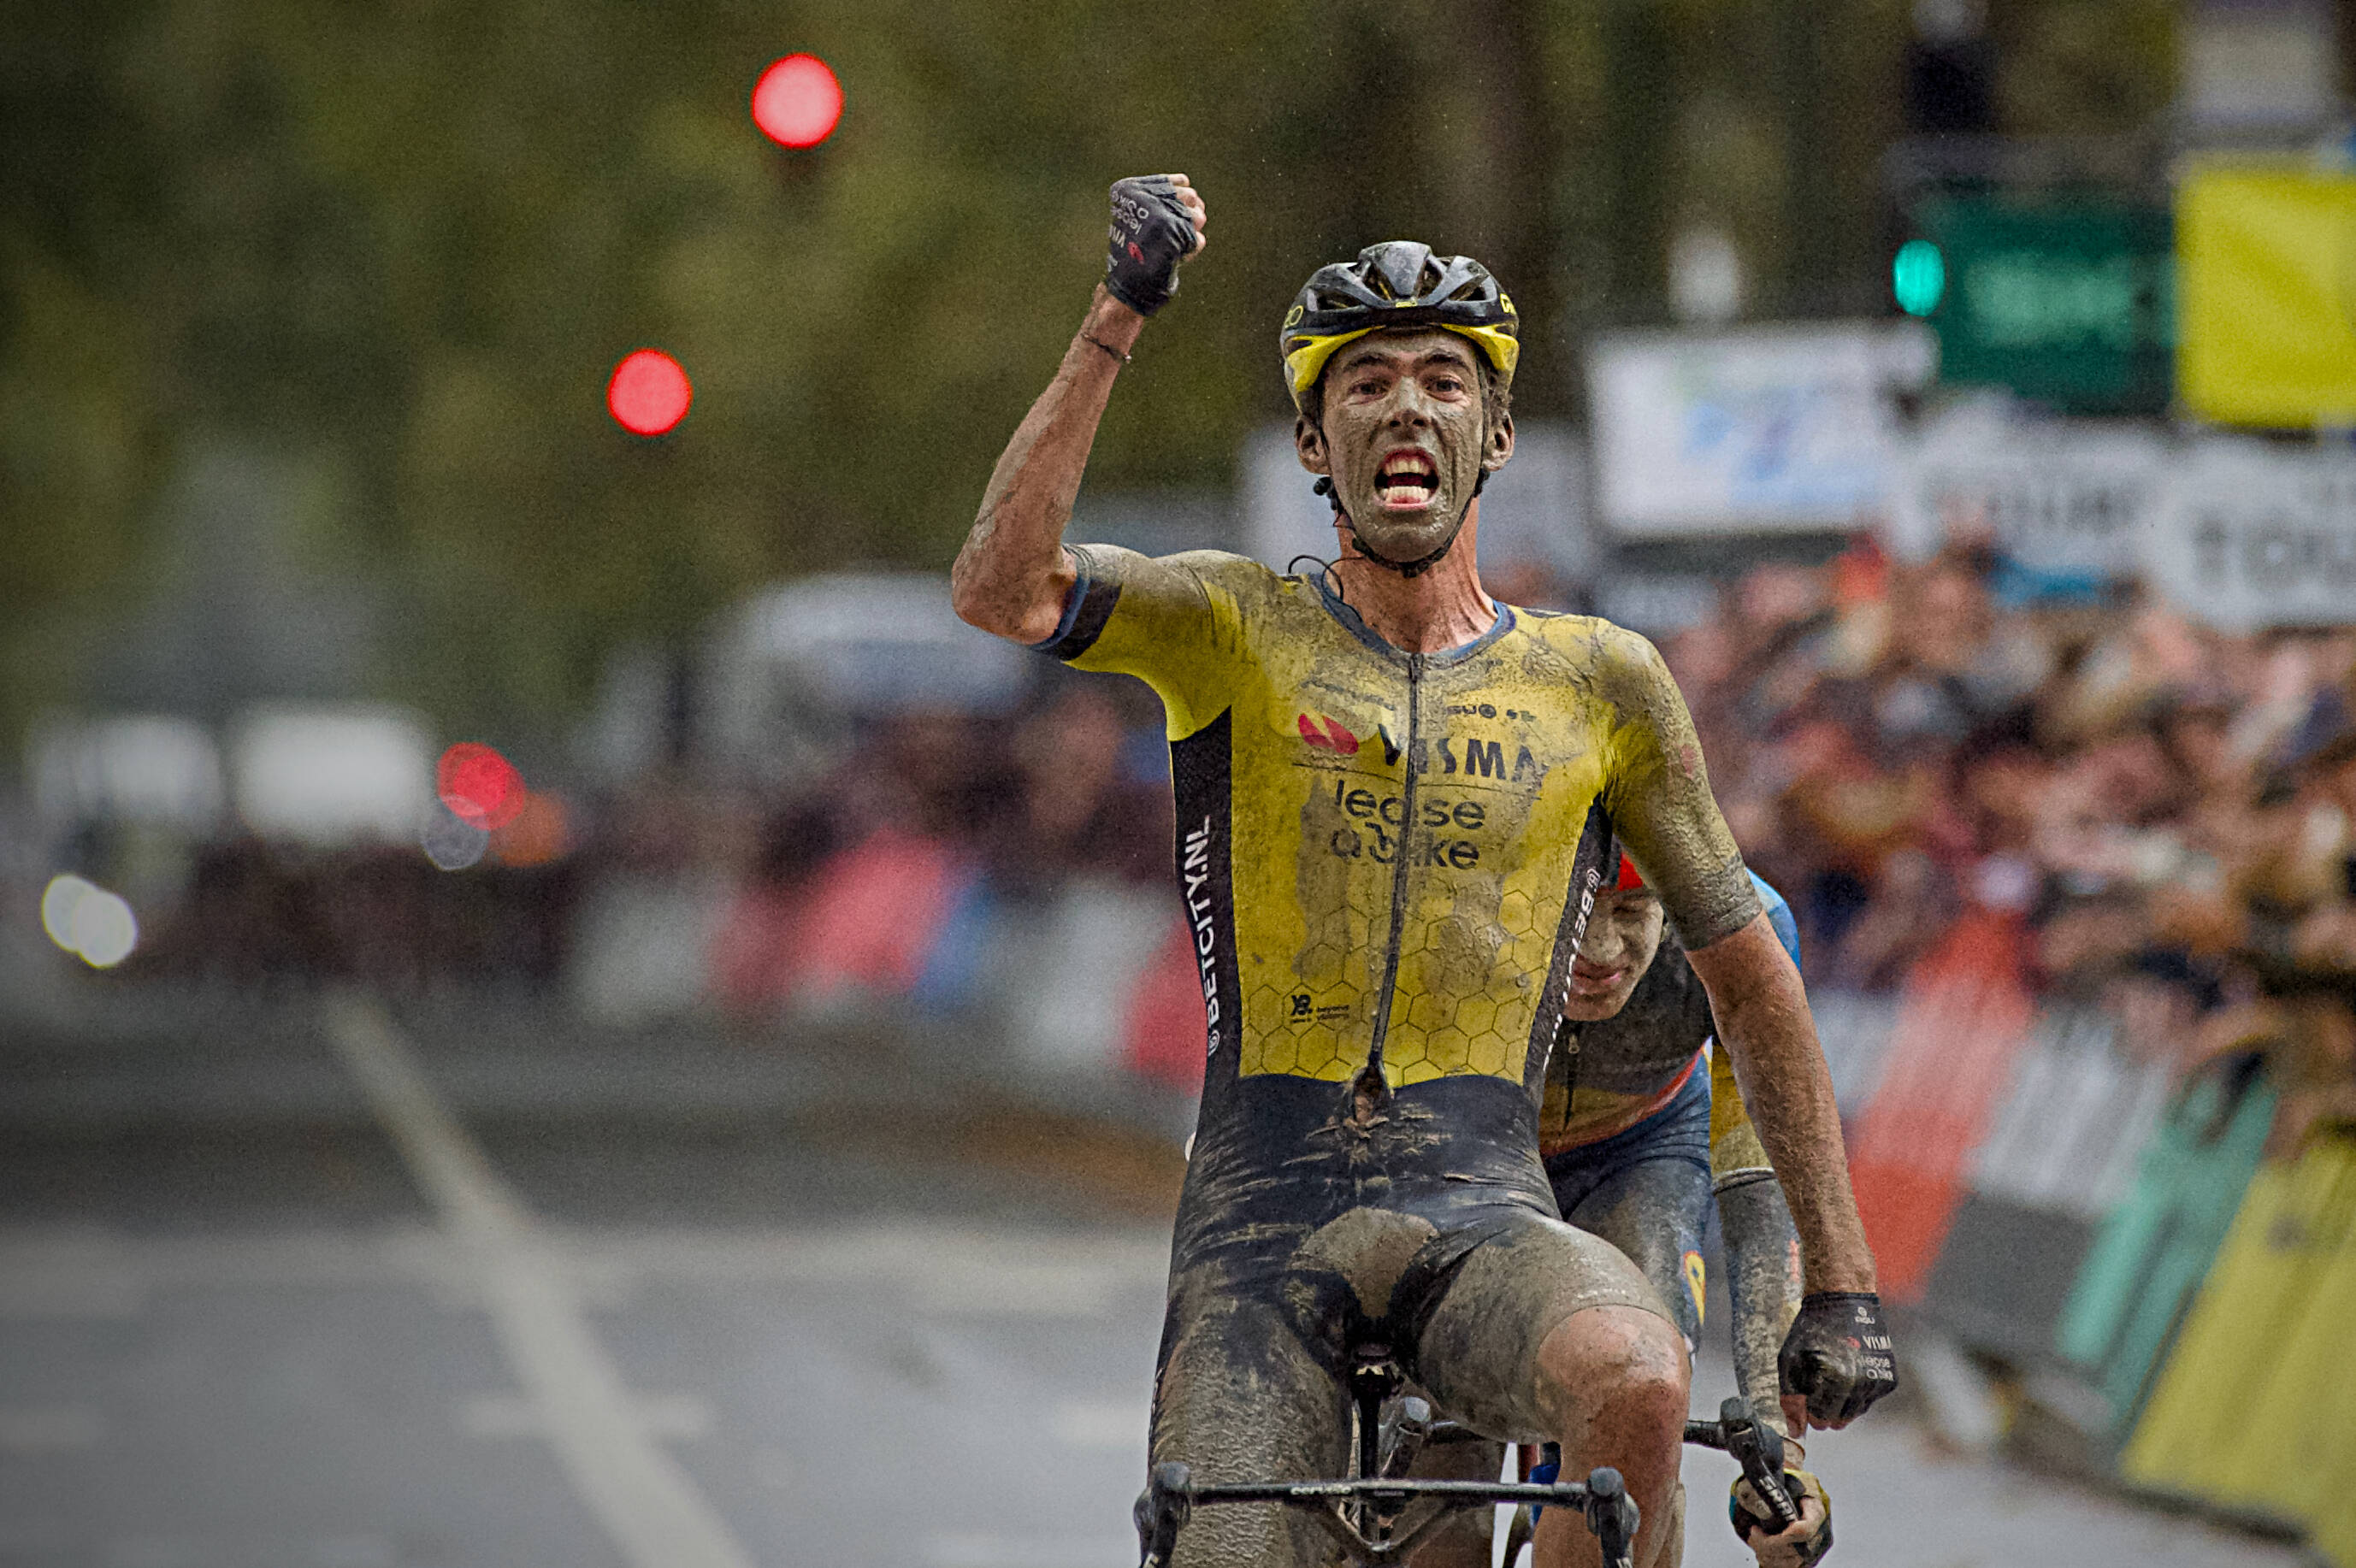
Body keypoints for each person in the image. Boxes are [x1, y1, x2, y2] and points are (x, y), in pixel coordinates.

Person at [951, 174, 1896, 1568]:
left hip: (1482, 1203)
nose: (1408, 407)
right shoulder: (1230, 624)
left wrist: (1843, 1287)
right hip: (1265, 1215)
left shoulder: (1603, 681)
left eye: (1446, 381)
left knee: (1637, 1375)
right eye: (1369, 382)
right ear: (1313, 444)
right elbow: (1003, 586)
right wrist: (1120, 310)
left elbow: (1754, 980)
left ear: (1496, 434)